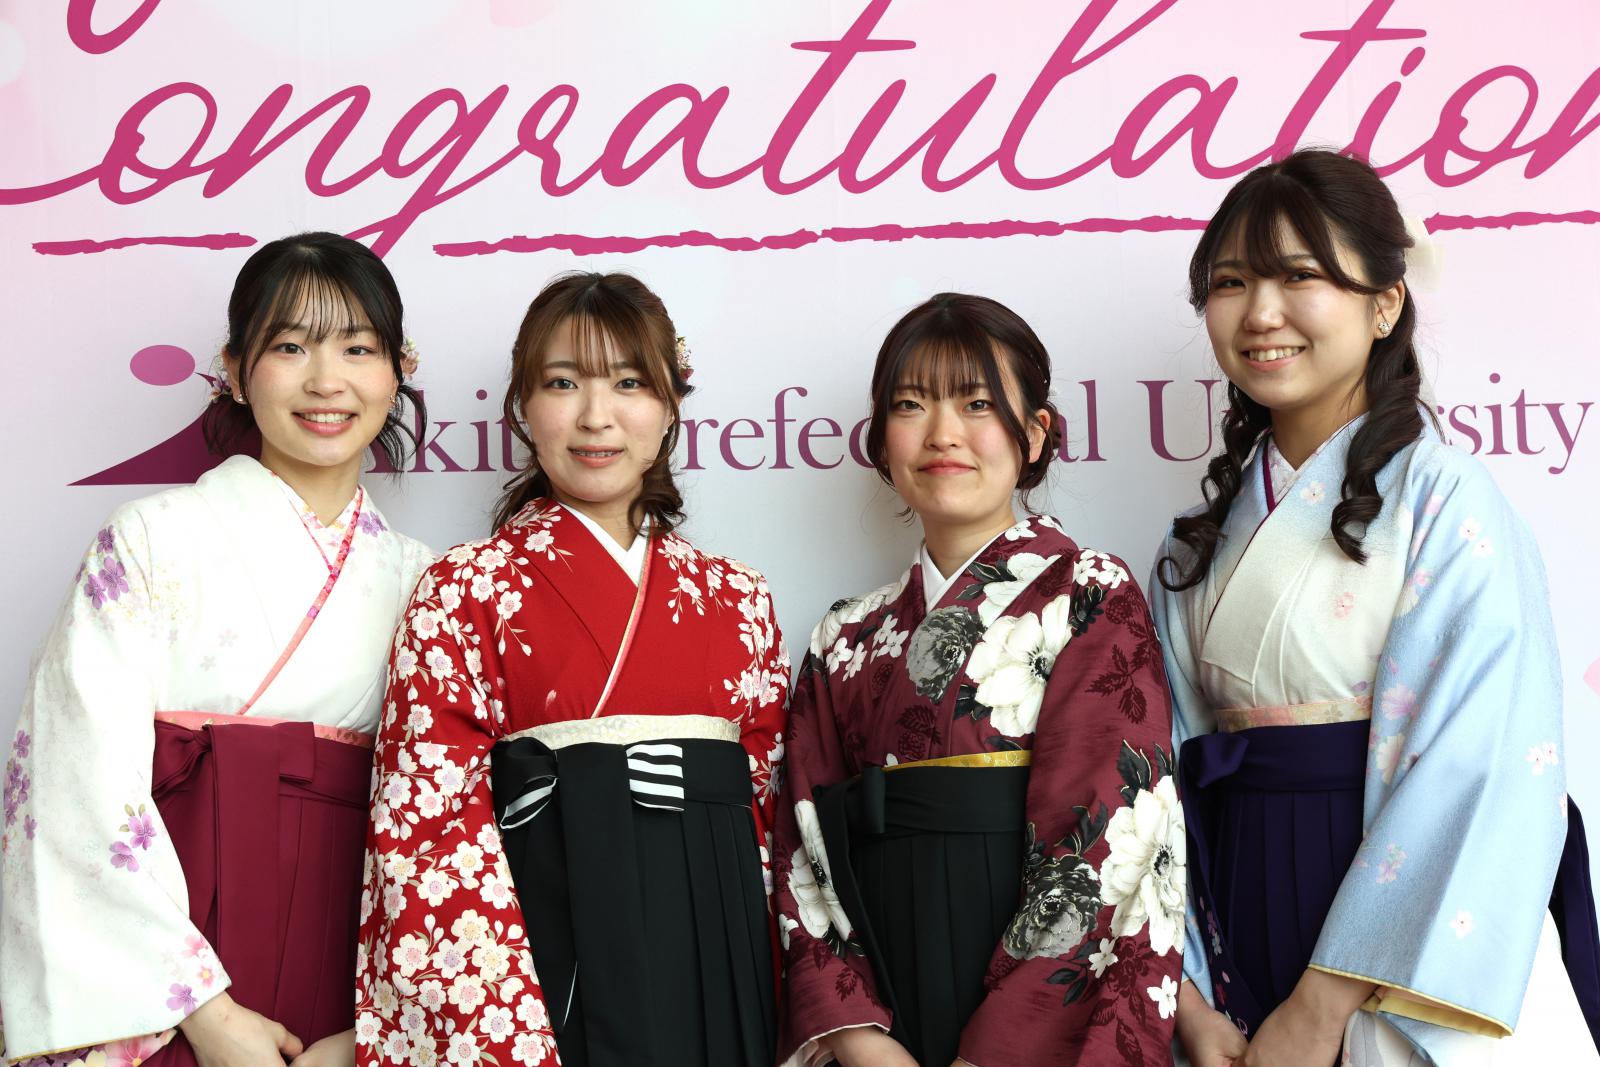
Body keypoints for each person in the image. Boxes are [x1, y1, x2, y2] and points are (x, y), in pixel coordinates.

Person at [1152, 148, 1600, 1067]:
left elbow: (1480, 758)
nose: (1260, 312)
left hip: (1394, 930)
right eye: (1231, 282)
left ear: (1385, 302)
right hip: (1237, 904)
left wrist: (1321, 1009)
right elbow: (1162, 780)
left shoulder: (1445, 496)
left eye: (1299, 275)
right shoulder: (1196, 543)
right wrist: (1193, 996)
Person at [1, 232, 434, 1067]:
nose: (327, 381)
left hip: (351, 981)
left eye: (357, 348)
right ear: (235, 370)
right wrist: (201, 1006)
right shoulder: (150, 540)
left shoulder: (424, 579)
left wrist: (377, 1028)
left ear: (398, 369)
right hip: (171, 970)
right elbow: (72, 778)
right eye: (290, 346)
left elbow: (446, 820)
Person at [354, 271, 789, 1067]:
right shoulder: (464, 589)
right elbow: (426, 830)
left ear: (670, 403)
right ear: (524, 405)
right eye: (562, 383)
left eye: (630, 382)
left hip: (720, 964)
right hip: (543, 970)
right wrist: (505, 1034)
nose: (596, 416)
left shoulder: (739, 597)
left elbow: (768, 818)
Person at [775, 293, 1183, 1066]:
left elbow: (1109, 843)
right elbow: (803, 846)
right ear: (881, 439)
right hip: (880, 1007)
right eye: (910, 404)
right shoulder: (843, 636)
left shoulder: (1088, 592)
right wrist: (857, 1035)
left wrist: (997, 1050)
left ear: (1035, 433)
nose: (943, 433)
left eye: (977, 403)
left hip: (1021, 1016)